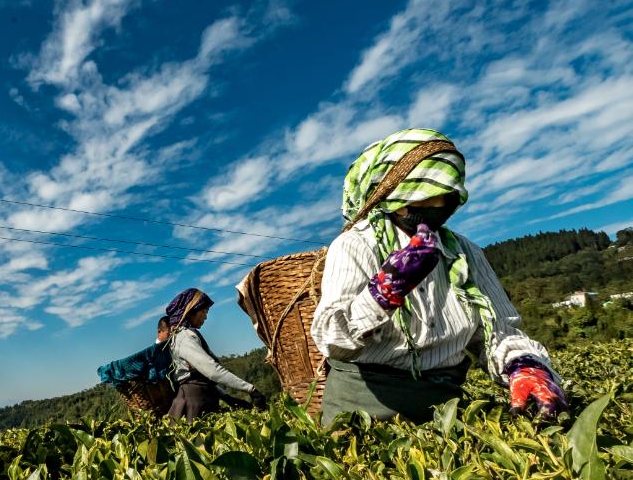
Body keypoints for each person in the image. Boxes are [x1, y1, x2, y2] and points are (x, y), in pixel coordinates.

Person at [311, 127, 566, 425]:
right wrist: (385, 290)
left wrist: (524, 367)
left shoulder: (465, 252)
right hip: (363, 413)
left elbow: (497, 332)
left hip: (443, 410)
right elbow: (332, 339)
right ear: (392, 193)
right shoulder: (356, 244)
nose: (437, 207)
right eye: (423, 198)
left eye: (444, 197)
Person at [165, 288, 267, 421]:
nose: (206, 317)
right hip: (194, 402)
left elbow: (203, 378)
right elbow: (212, 371)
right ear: (191, 312)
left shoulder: (187, 335)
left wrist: (226, 397)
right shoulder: (184, 337)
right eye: (204, 311)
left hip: (202, 397)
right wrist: (250, 389)